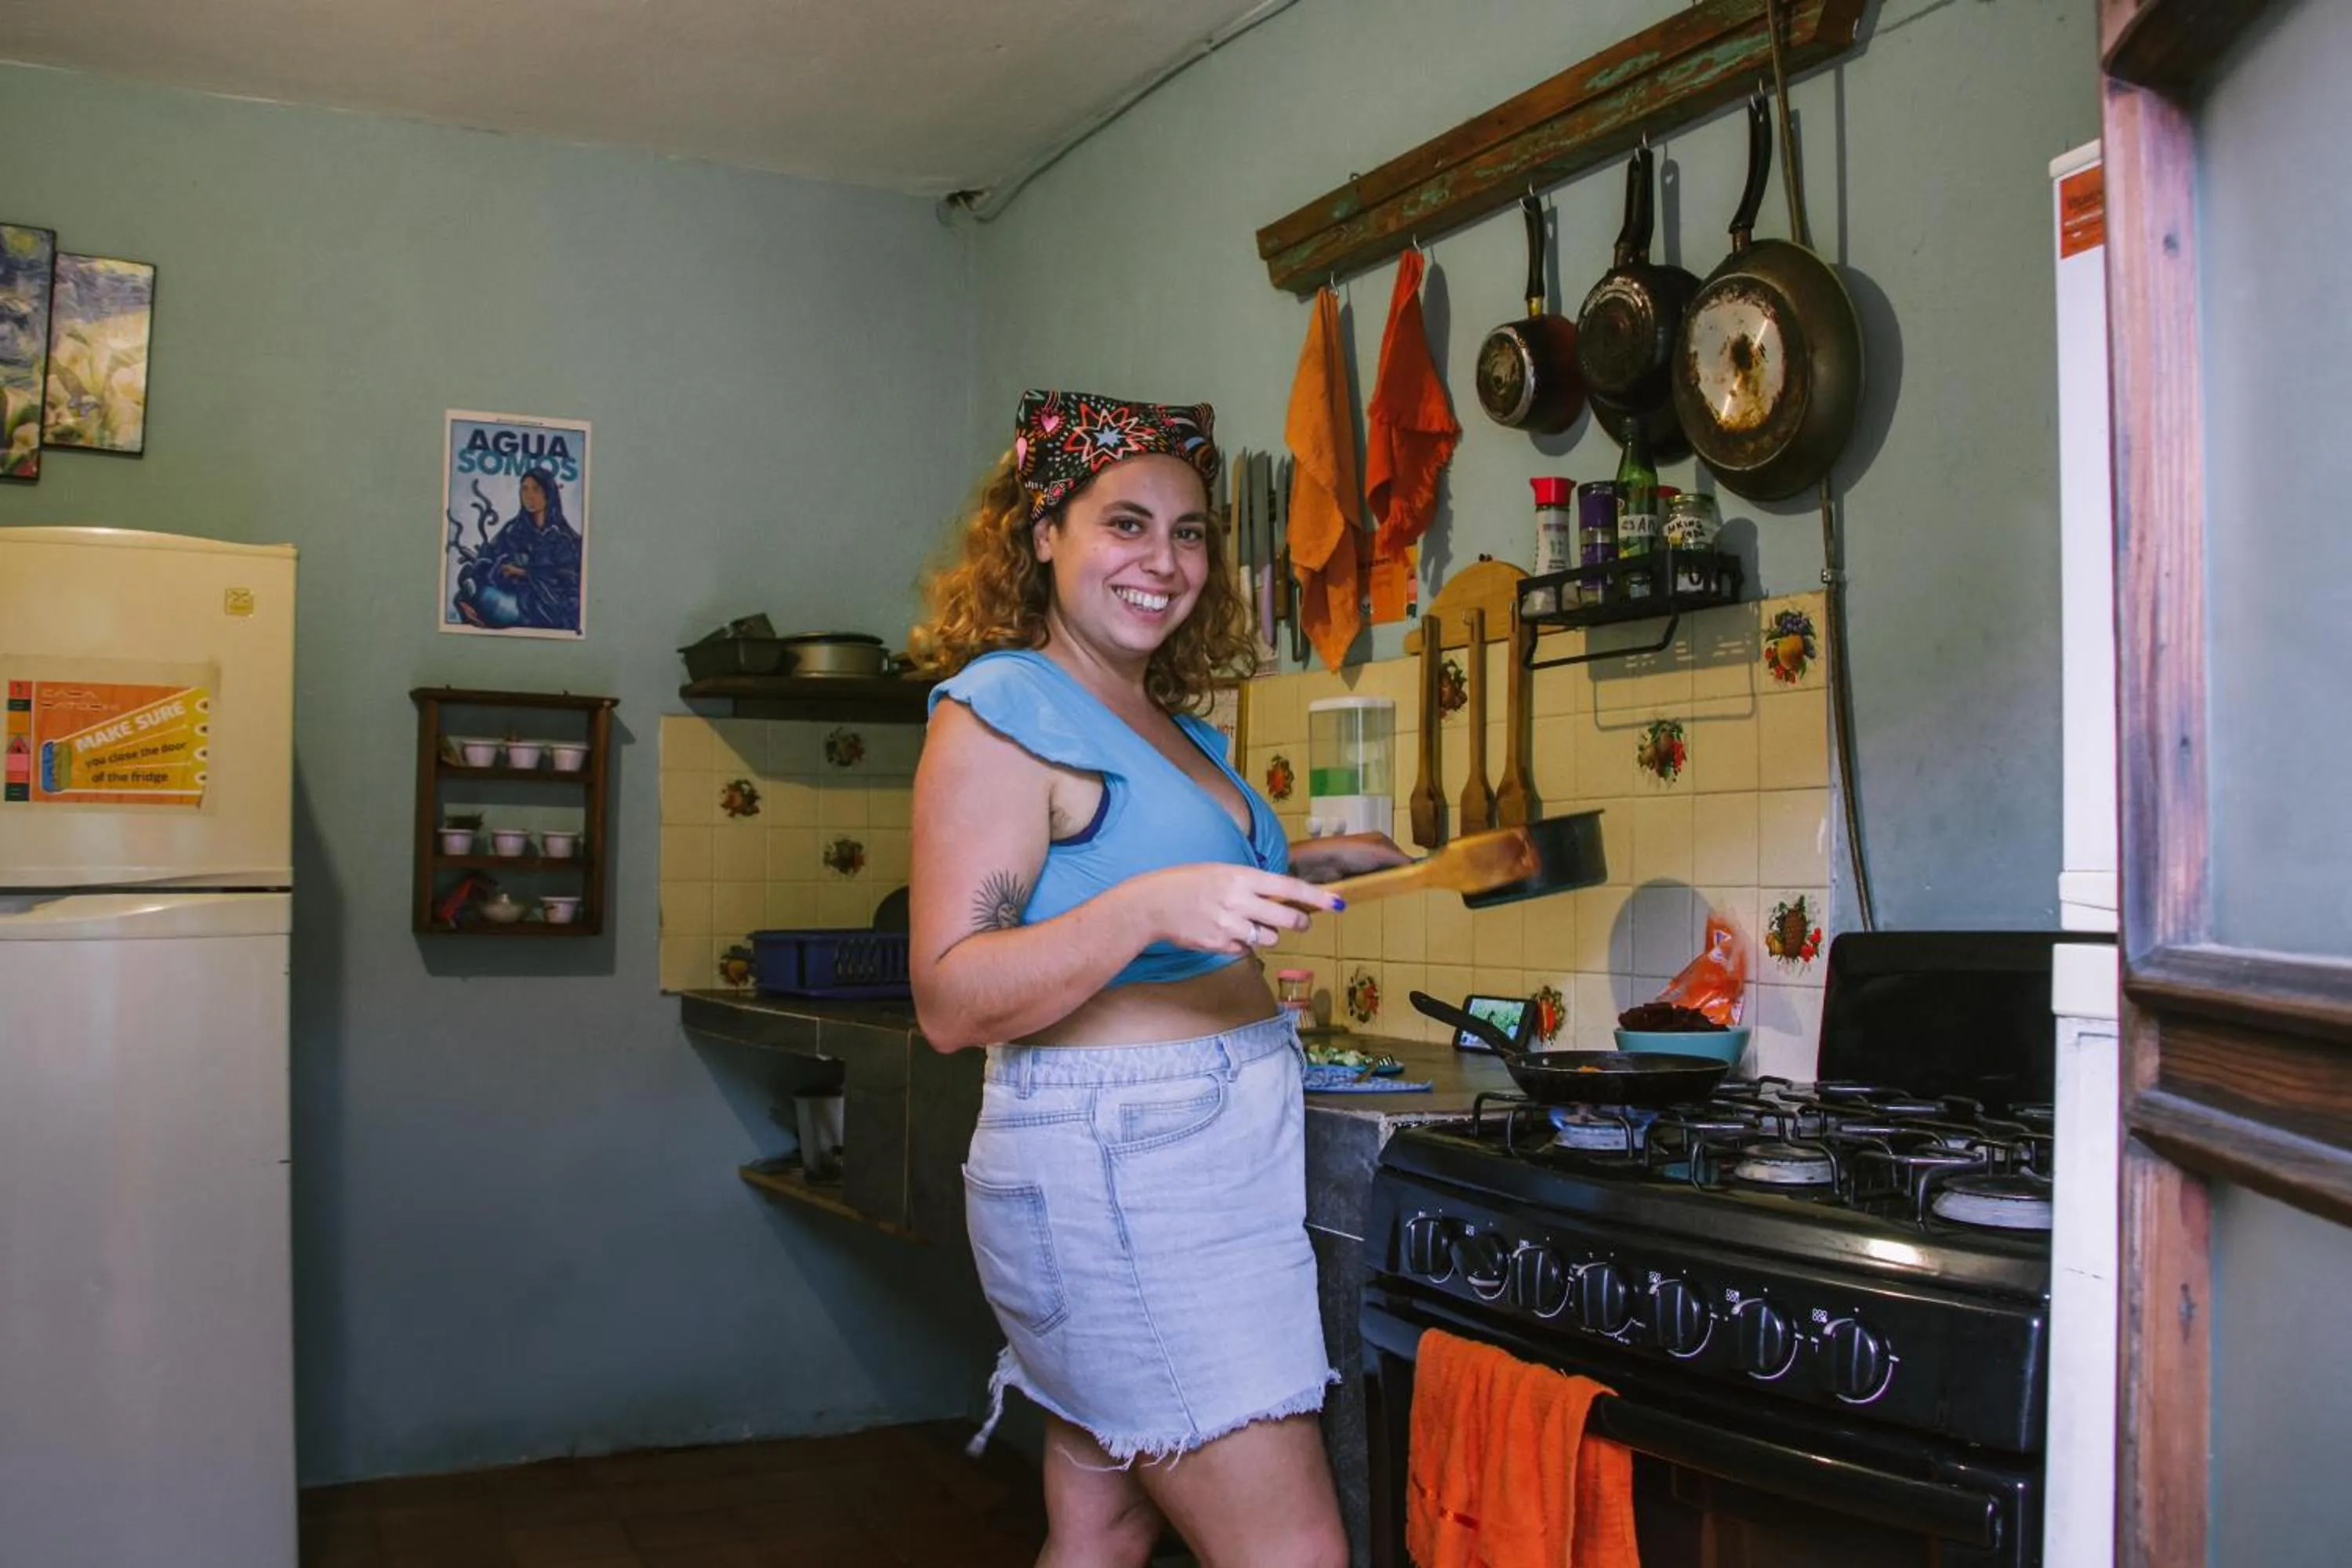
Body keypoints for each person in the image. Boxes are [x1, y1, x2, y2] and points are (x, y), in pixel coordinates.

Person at [909, 389, 1409, 1568]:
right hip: (1125, 1173)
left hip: (1187, 1159)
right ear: (1044, 534)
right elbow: (948, 995)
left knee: (1102, 1531)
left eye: (1188, 533)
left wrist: (1339, 864)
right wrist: (1147, 908)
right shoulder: (1003, 712)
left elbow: (1176, 873)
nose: (1164, 560)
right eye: (1123, 524)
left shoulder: (1165, 722)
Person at [452, 466, 583, 631]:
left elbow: (570, 584)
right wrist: (463, 600)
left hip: (541, 613)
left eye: (536, 489)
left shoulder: (566, 539)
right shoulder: (513, 530)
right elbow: (486, 558)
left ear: (549, 494)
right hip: (505, 601)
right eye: (525, 489)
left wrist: (524, 573)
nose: (529, 496)